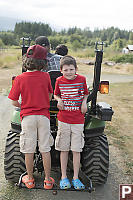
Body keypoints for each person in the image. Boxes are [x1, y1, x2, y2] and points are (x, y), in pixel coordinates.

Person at [8, 44, 55, 189]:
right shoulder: (46, 76)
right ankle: (47, 180)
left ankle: (29, 179)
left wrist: (25, 105)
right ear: (43, 63)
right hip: (43, 117)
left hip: (28, 117)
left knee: (28, 149)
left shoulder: (20, 78)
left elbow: (14, 101)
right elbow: (49, 95)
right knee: (45, 148)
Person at [54, 55, 89, 190]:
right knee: (63, 149)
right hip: (63, 120)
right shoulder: (59, 81)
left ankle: (75, 177)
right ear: (61, 70)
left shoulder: (82, 80)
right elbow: (56, 94)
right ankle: (63, 176)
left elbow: (85, 93)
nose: (69, 72)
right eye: (66, 70)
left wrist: (84, 103)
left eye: (71, 69)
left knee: (76, 149)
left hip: (78, 120)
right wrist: (59, 100)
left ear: (76, 69)